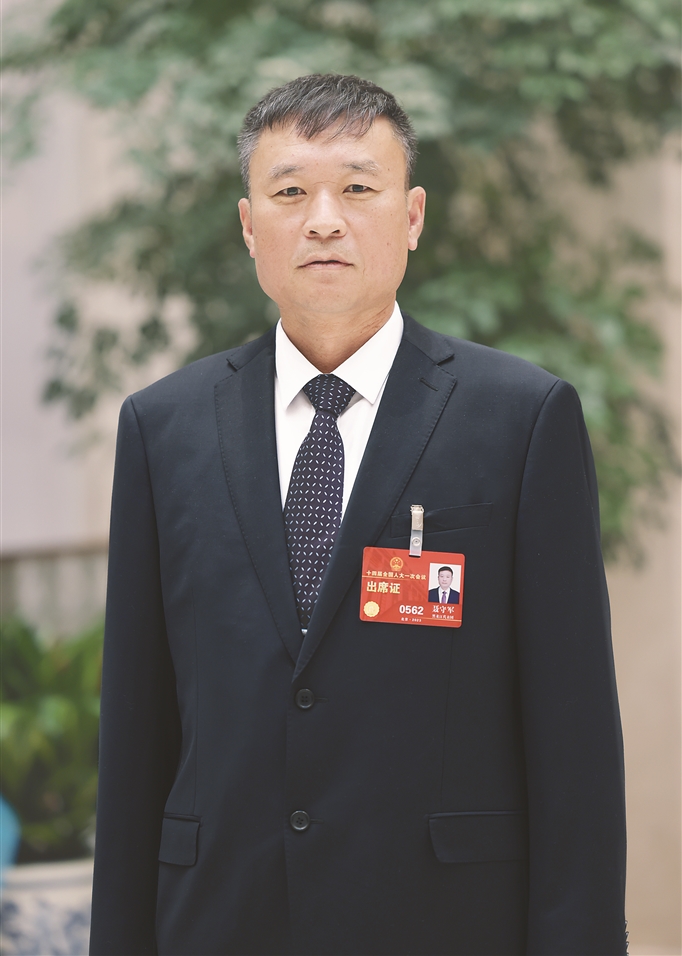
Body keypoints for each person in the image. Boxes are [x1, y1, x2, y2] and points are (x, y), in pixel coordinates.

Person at [89, 74, 626, 956]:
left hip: (446, 925)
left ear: (412, 216)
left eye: (357, 187)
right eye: (290, 192)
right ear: (248, 227)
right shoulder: (162, 429)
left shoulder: (521, 419)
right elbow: (135, 735)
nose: (324, 220)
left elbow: (575, 744)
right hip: (220, 922)